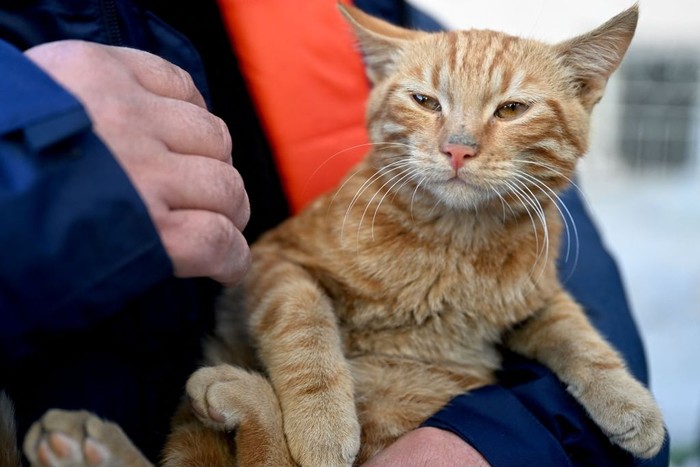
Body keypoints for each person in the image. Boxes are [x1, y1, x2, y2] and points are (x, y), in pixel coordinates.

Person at [0, 1, 669, 465]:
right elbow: (278, 265)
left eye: (512, 110)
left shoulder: (397, 21)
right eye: (429, 104)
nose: (460, 145)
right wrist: (34, 151)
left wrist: (502, 442)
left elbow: (553, 292)